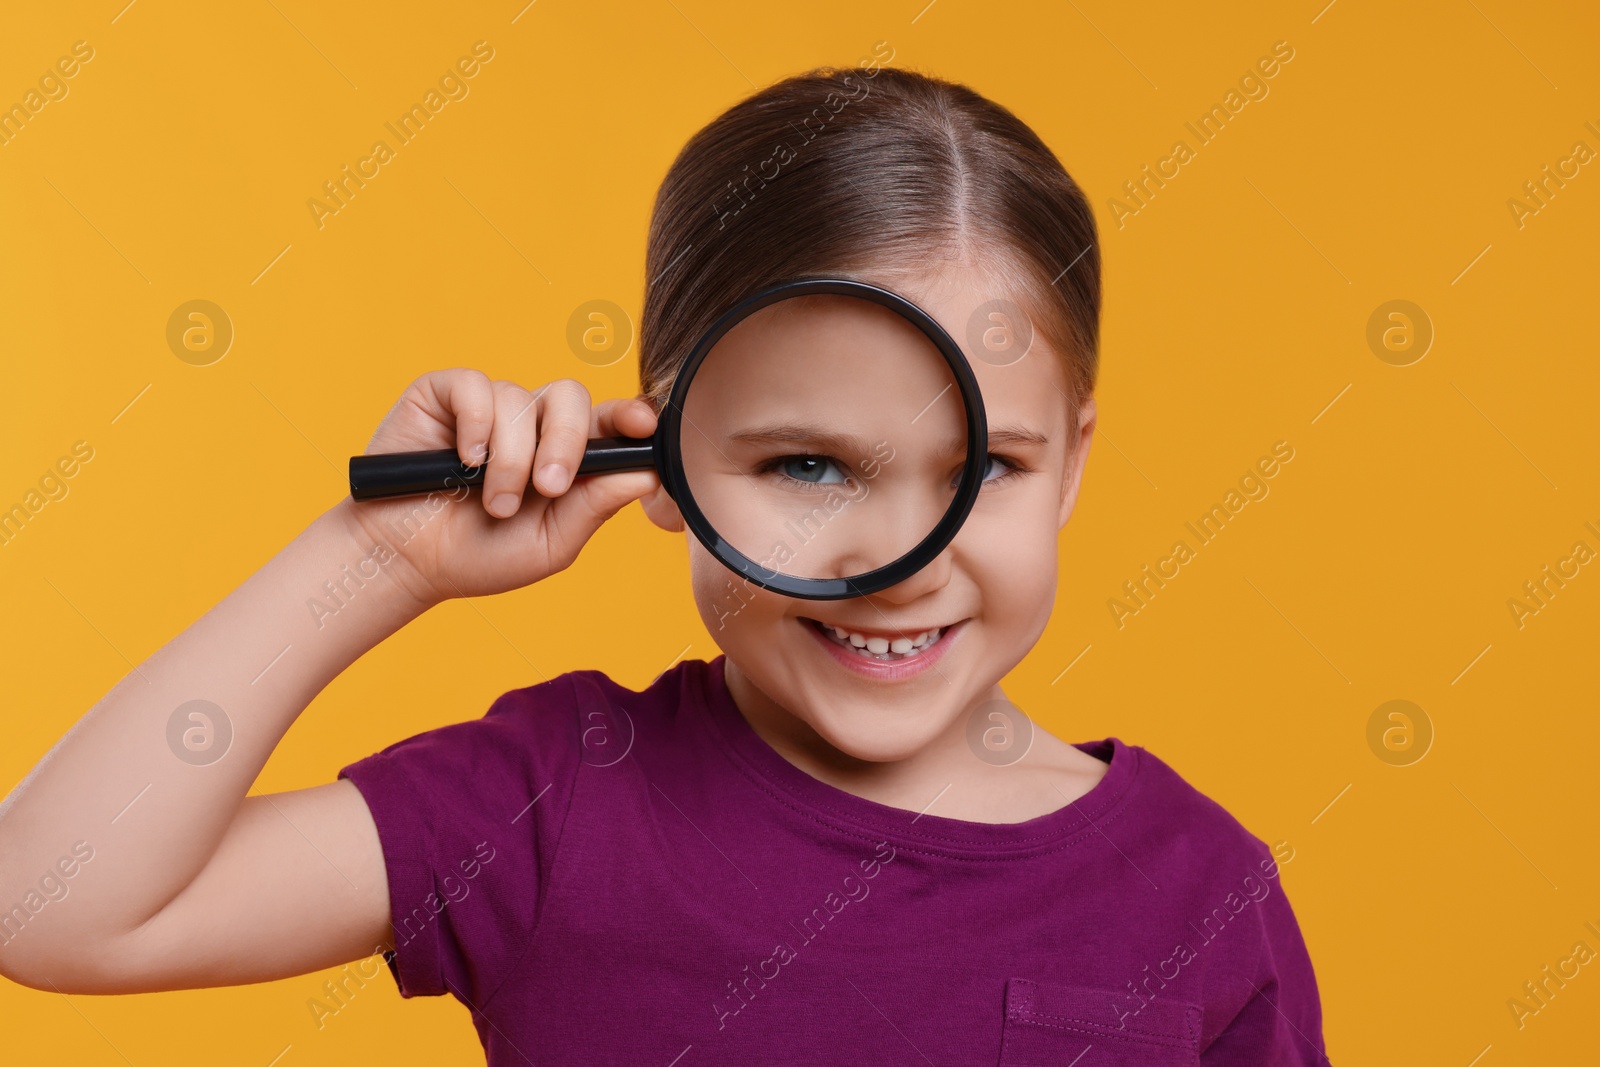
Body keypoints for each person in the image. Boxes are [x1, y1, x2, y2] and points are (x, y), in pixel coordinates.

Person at [0, 64, 1329, 1064]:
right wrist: (380, 560)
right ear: (665, 459)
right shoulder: (553, 802)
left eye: (982, 470)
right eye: (808, 465)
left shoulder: (1198, 891)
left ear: (1074, 467)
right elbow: (49, 908)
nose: (891, 562)